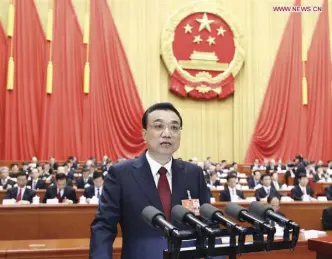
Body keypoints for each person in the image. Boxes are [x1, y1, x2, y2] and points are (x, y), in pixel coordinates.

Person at [90, 102, 210, 259]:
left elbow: (208, 225)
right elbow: (104, 227)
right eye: (159, 126)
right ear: (144, 133)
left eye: (174, 128)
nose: (167, 133)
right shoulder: (121, 174)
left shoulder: (194, 173)